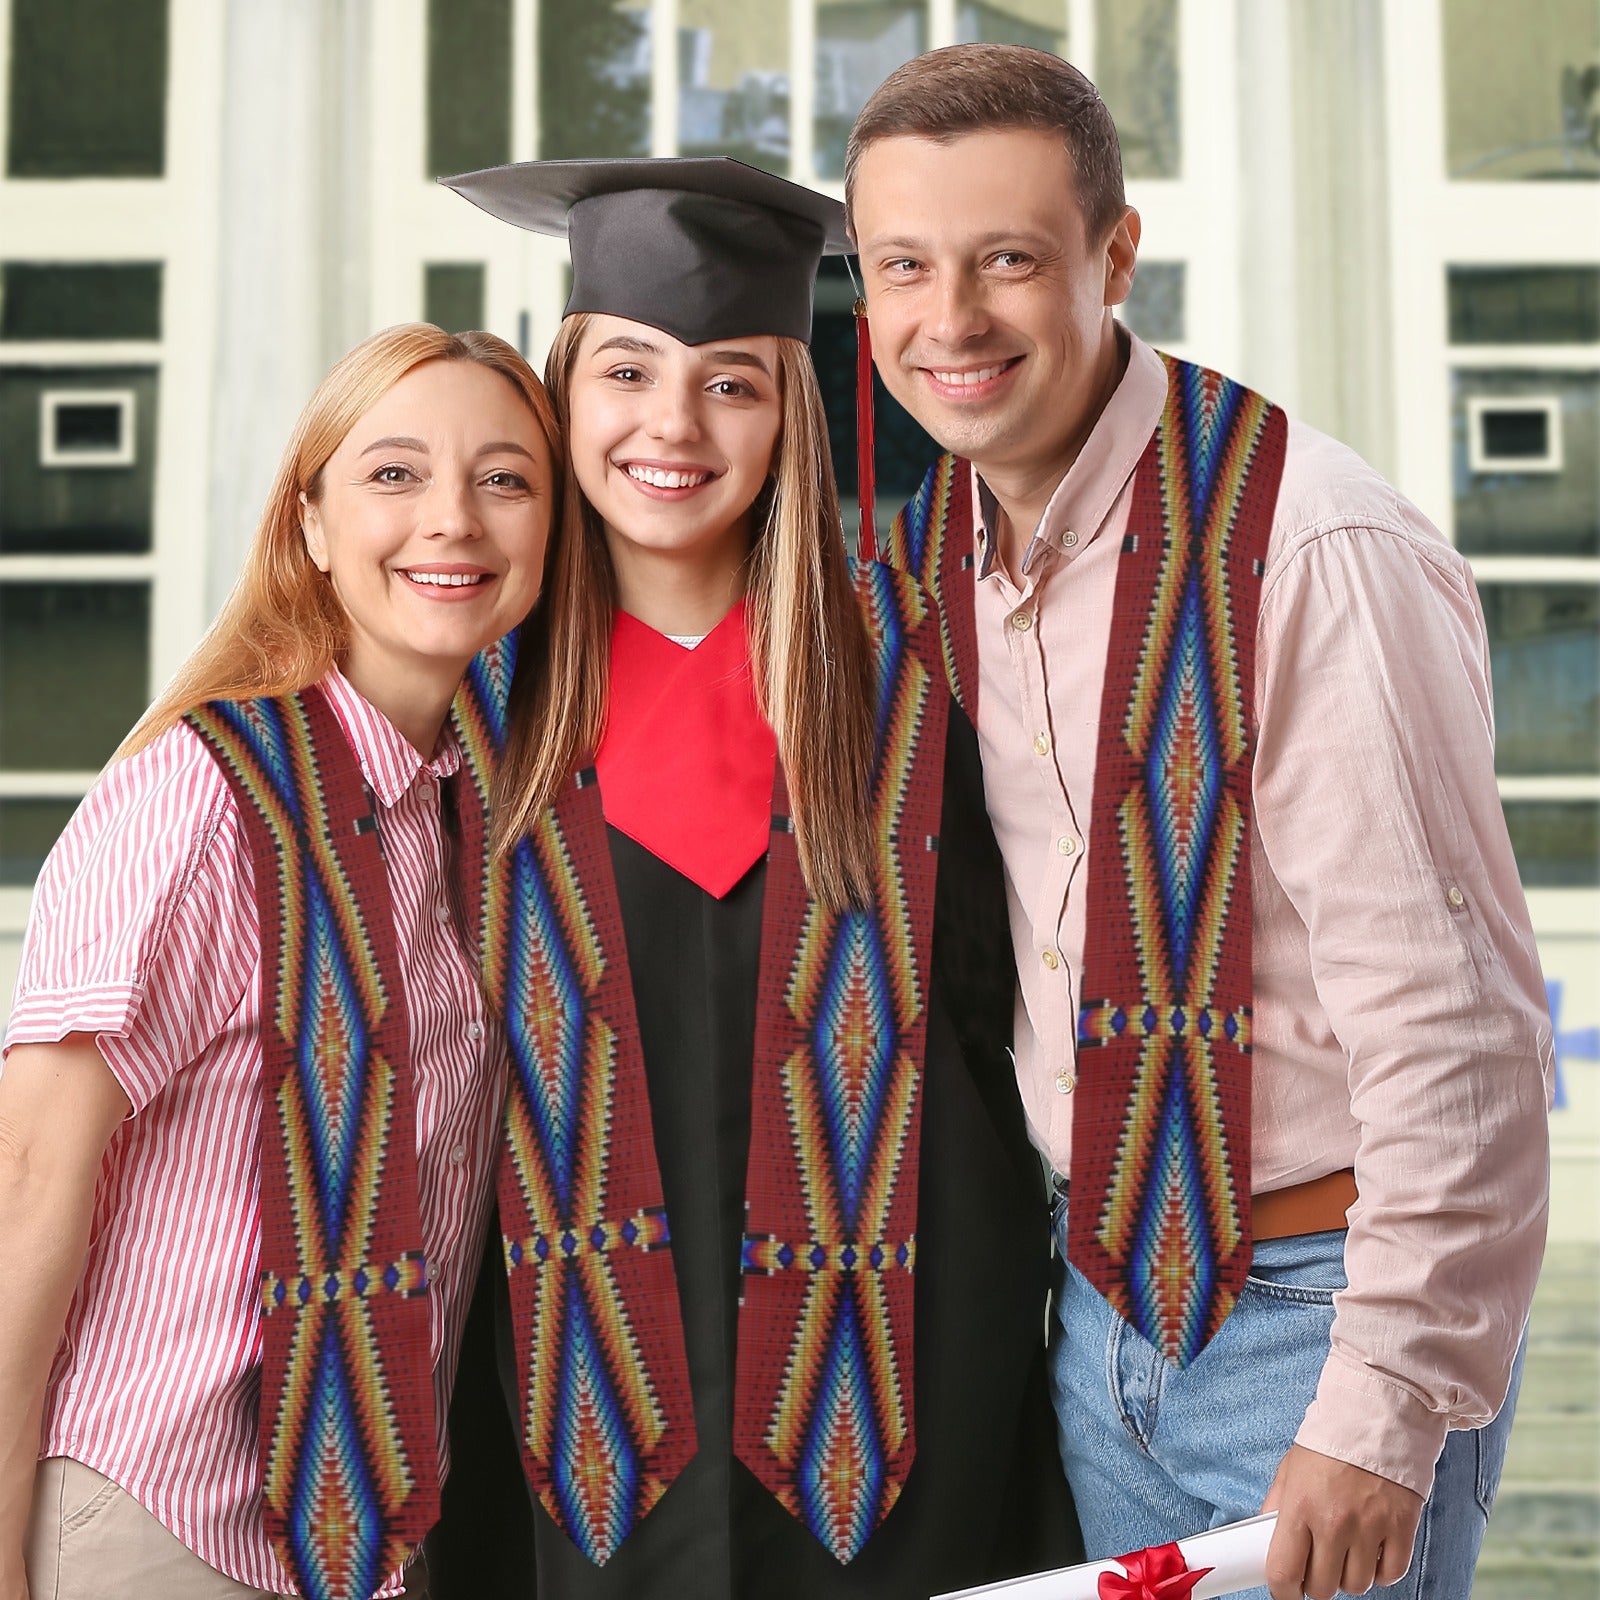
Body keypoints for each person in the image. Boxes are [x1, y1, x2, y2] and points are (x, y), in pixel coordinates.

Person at [843, 43, 1553, 1600]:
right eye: (905, 266)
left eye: (1008, 260)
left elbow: (1465, 1036)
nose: (948, 320)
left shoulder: (1311, 550)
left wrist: (1382, 1411)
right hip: (1096, 1314)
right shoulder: (937, 553)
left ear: (1114, 256)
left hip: (1318, 1318)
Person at [424, 156, 1077, 1600]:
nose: (674, 425)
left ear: (790, 413)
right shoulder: (461, 703)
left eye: (732, 382)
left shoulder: (918, 672)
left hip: (903, 1402)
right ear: (561, 392)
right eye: (628, 373)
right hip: (552, 1409)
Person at [0, 324, 559, 1600]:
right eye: (394, 474)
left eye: (505, 478)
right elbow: (28, 1170)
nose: (452, 520)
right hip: (156, 1517)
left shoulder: (470, 812)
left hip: (360, 1541)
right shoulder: (198, 797)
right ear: (308, 524)